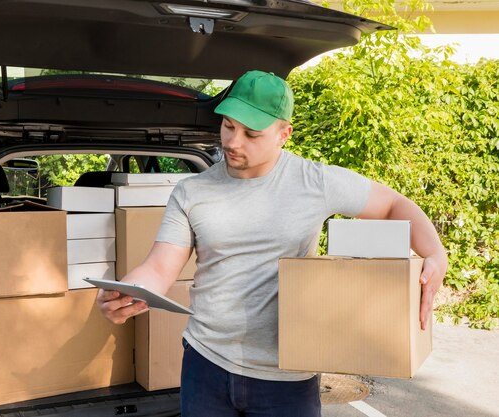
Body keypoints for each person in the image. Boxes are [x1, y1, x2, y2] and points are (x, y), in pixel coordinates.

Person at [97, 70, 448, 417]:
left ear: (284, 134)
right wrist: (129, 291)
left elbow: (393, 205)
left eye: (251, 133)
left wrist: (435, 253)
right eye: (228, 126)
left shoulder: (315, 182)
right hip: (206, 364)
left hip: (286, 376)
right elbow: (160, 267)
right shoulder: (192, 191)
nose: (234, 142)